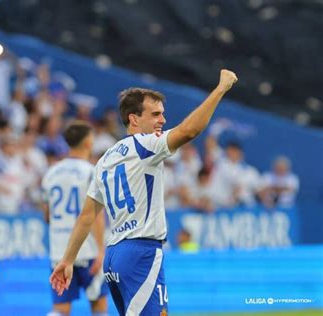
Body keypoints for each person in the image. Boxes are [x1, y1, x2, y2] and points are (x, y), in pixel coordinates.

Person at [50, 69, 238, 315]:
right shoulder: (146, 146)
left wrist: (67, 260)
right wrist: (220, 89)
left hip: (114, 254)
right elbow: (189, 131)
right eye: (155, 114)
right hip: (141, 253)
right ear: (134, 119)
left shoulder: (105, 159)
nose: (162, 120)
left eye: (162, 114)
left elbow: (87, 216)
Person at [42, 121, 108, 316]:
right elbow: (95, 215)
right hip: (87, 249)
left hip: (59, 251)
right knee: (98, 306)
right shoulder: (91, 171)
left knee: (60, 309)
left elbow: (47, 216)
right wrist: (101, 249)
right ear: (88, 143)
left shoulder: (51, 173)